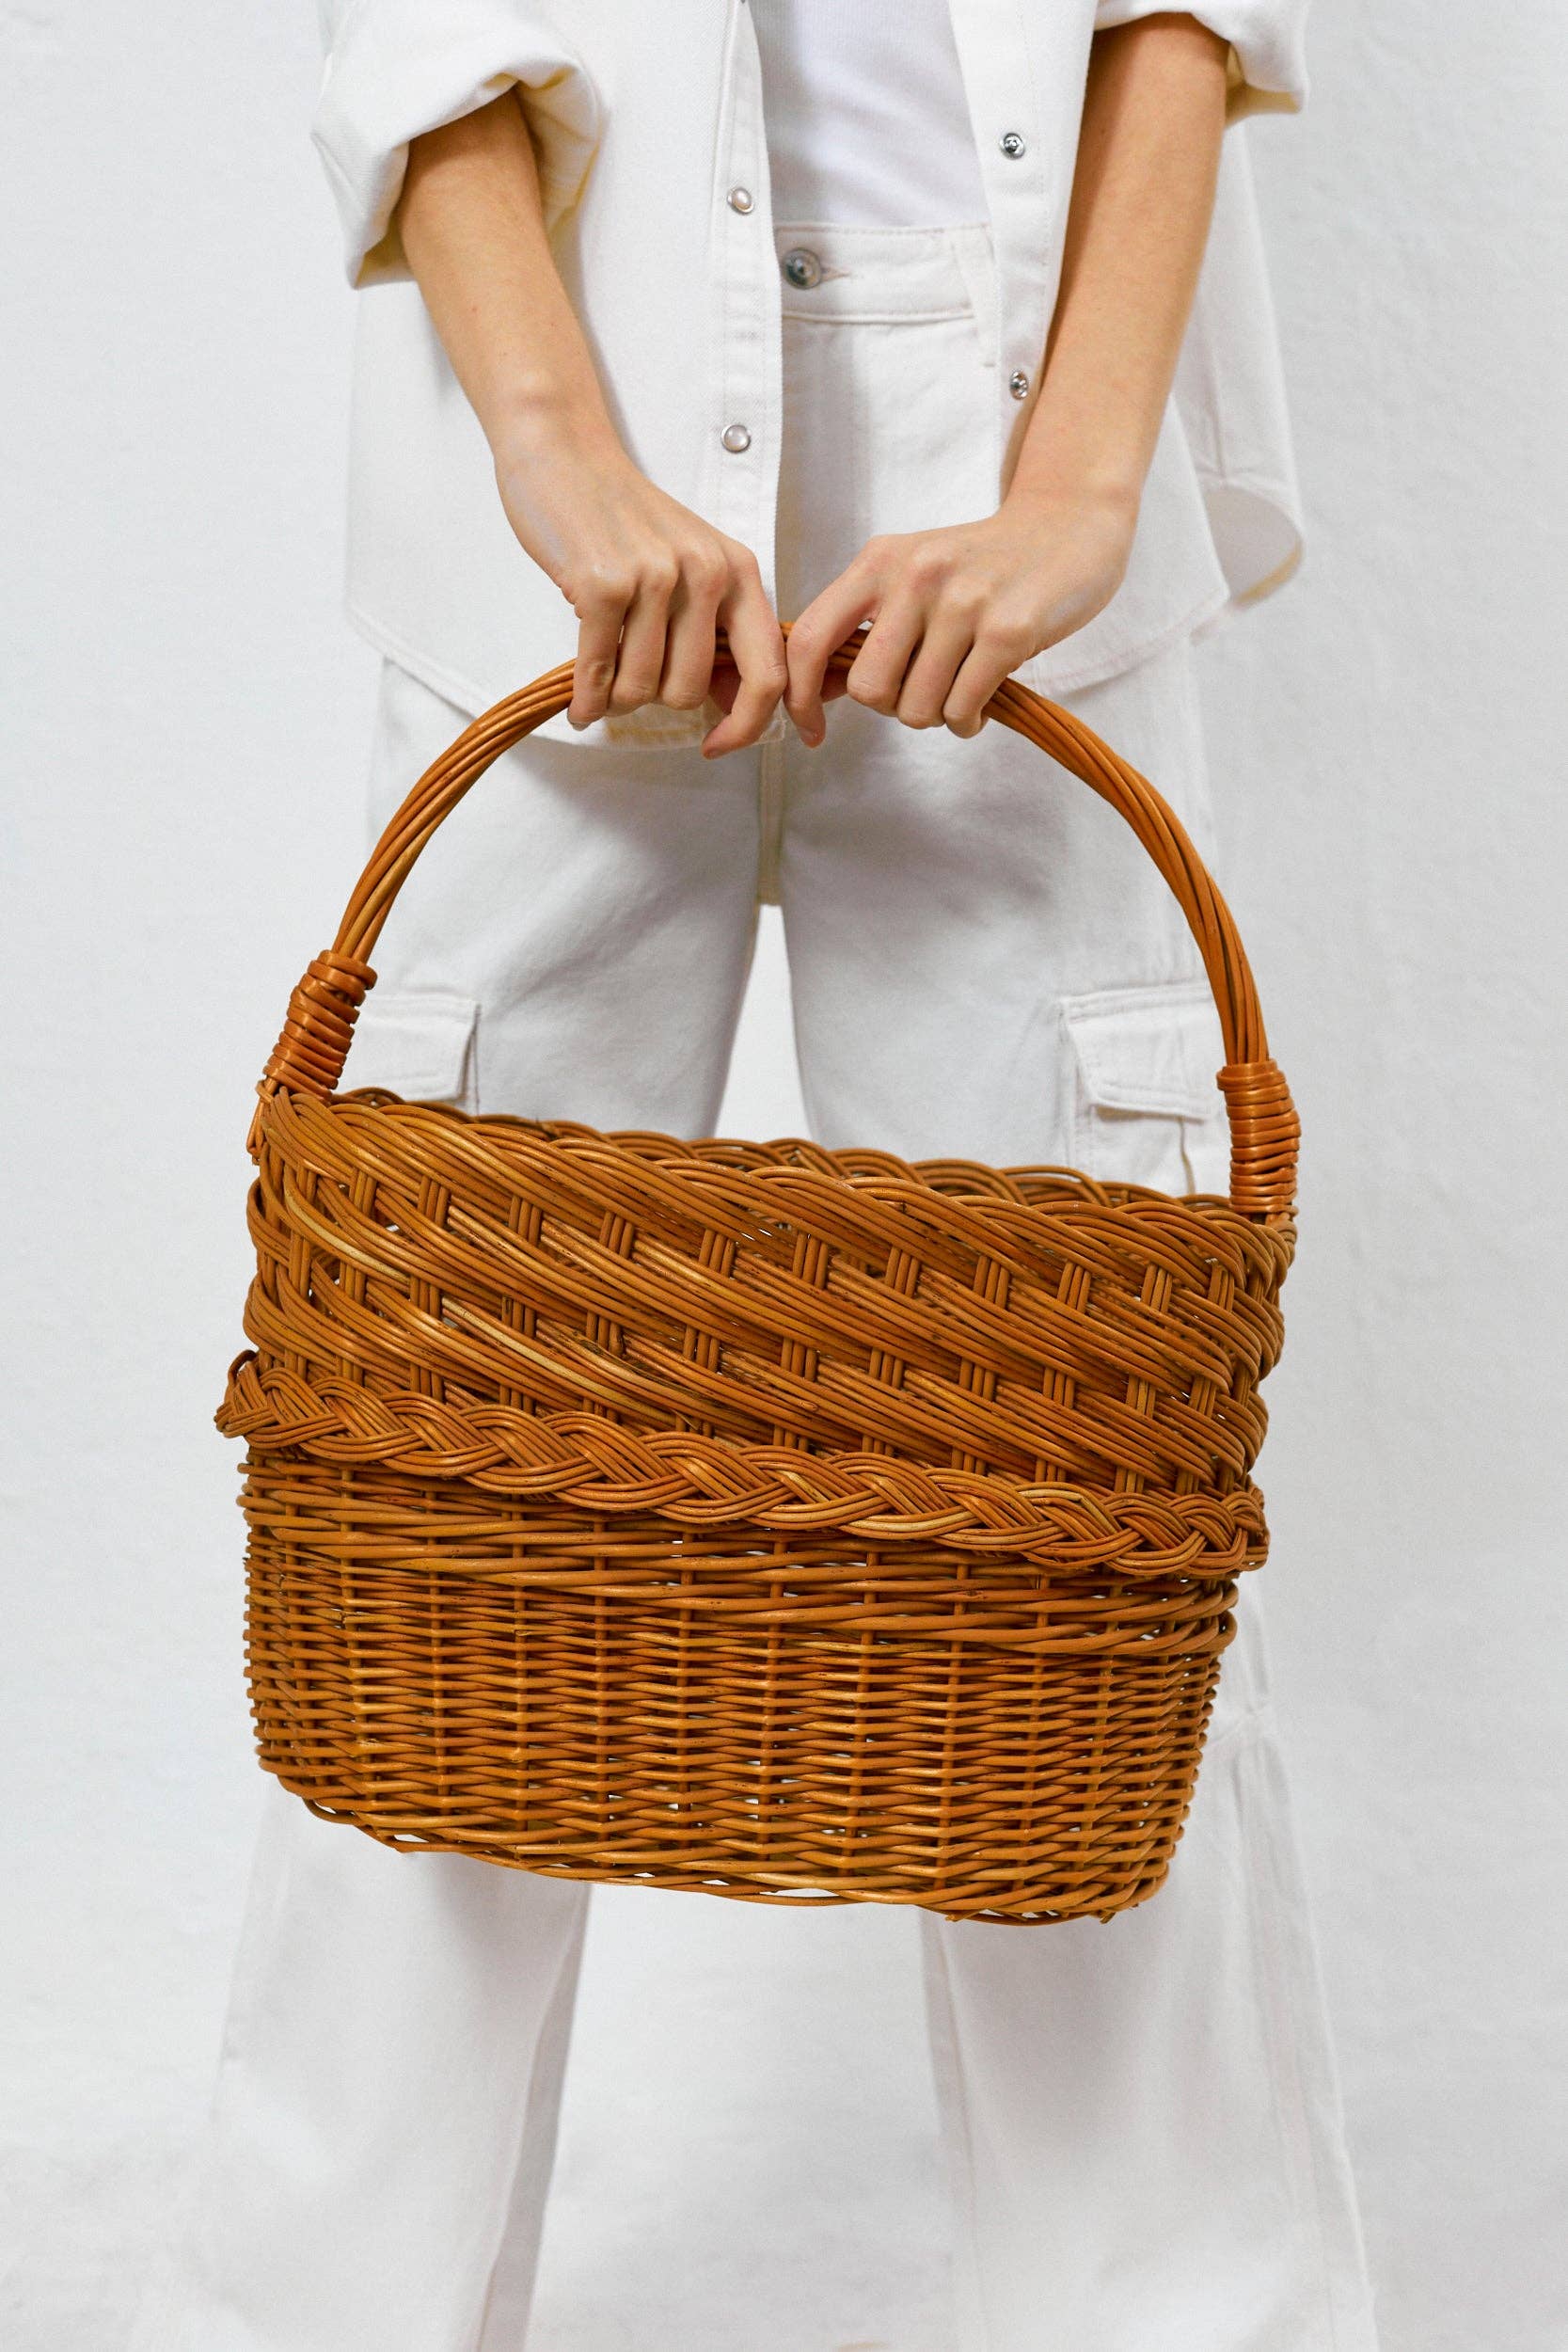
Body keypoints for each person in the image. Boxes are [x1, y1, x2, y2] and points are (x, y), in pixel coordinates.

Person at [133, 5, 1382, 2346]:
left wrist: (1083, 484)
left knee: (1087, 1575)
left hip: (1028, 443)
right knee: (429, 1527)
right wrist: (553, 441)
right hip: (555, 487)